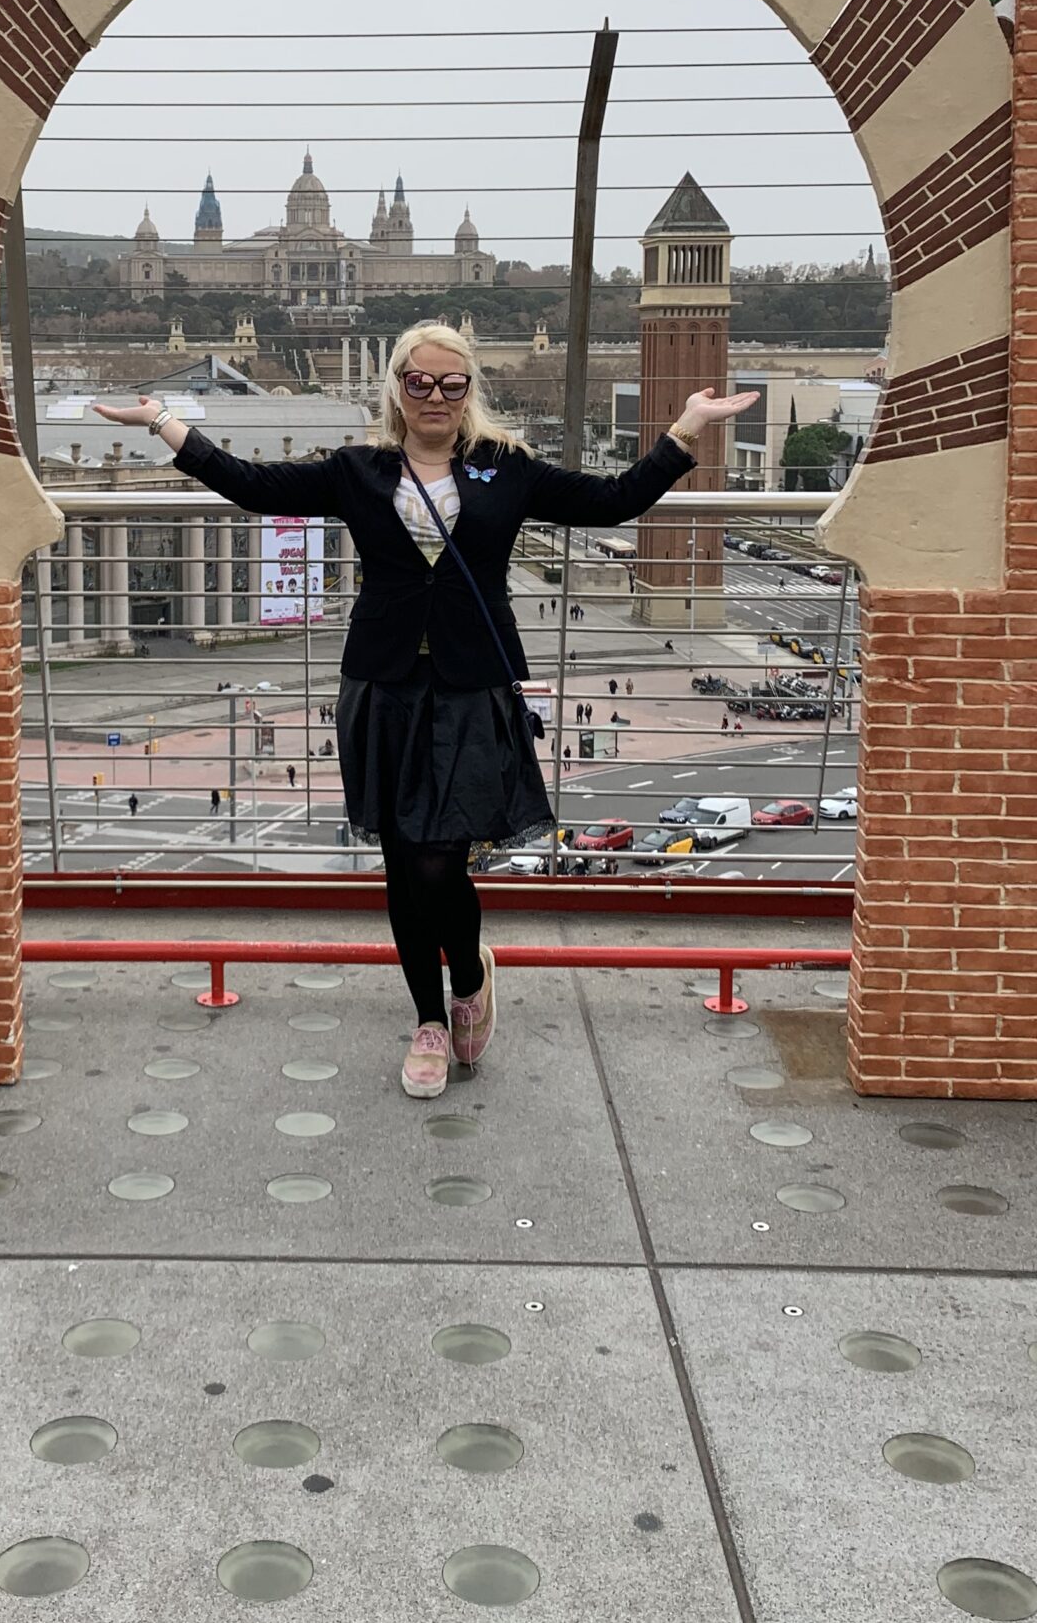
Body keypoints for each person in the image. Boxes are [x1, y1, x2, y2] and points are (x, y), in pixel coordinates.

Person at [96, 322, 754, 1100]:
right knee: (405, 861)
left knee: (441, 856)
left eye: (451, 383)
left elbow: (613, 503)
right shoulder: (358, 469)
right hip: (383, 684)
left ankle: (469, 979)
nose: (435, 396)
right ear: (397, 388)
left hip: (471, 685)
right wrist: (164, 422)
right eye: (419, 382)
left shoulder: (506, 467)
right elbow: (253, 486)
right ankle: (429, 1021)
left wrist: (686, 429)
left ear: (469, 390)